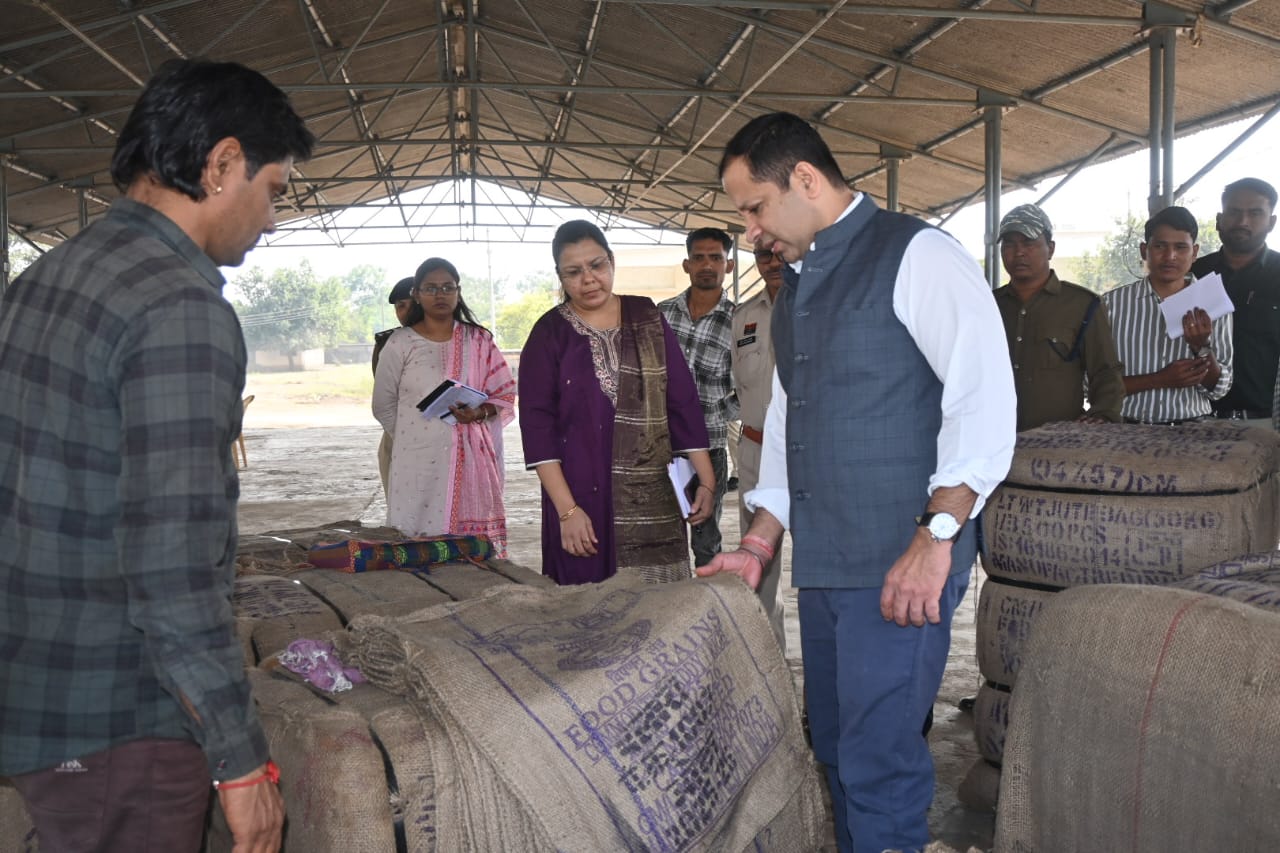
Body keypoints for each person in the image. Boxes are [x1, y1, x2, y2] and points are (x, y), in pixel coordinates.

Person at [0, 59, 313, 852]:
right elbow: (173, 568)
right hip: (120, 714)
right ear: (222, 164)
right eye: (273, 189)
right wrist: (242, 764)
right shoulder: (179, 307)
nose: (272, 218)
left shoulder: (46, 277)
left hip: (38, 684)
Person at [699, 112, 1016, 853]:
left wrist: (937, 536)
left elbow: (985, 400)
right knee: (838, 746)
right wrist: (758, 539)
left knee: (878, 759)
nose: (750, 231)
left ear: (805, 179)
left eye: (754, 207)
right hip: (831, 560)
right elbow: (787, 417)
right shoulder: (801, 284)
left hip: (902, 557)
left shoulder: (917, 255)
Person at [519, 220, 715, 585]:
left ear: (611, 261)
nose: (589, 279)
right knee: (589, 609)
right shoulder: (549, 334)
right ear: (560, 277)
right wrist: (567, 512)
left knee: (658, 610)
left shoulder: (648, 318)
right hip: (579, 494)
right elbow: (537, 427)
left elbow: (681, 400)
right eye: (573, 272)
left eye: (596, 265)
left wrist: (705, 479)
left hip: (651, 490)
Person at [372, 257, 515, 556]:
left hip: (471, 458)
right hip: (415, 462)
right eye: (431, 288)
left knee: (472, 554)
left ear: (458, 292)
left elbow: (503, 394)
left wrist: (478, 413)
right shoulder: (400, 343)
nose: (440, 294)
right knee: (417, 547)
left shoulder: (479, 340)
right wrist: (415, 439)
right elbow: (383, 405)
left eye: (448, 287)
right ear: (417, 294)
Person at [994, 203, 1125, 430]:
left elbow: (1105, 372)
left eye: (1028, 243)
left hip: (1058, 445)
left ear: (1051, 249)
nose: (1019, 252)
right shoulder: (987, 305)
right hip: (993, 439)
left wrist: (1101, 416)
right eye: (1009, 244)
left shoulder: (1082, 304)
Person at [1102, 205, 1233, 425]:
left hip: (1193, 432)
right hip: (1125, 432)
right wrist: (1159, 379)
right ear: (1144, 250)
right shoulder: (1110, 304)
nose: (1170, 256)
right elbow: (1094, 385)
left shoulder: (1214, 304)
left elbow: (1219, 389)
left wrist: (1201, 347)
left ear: (1195, 252)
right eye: (1160, 246)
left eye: (1181, 247)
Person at [658, 227, 739, 567]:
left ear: (729, 266)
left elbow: (749, 388)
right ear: (686, 265)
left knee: (705, 540)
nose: (707, 265)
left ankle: (706, 612)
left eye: (716, 258)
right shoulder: (660, 314)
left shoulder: (740, 321)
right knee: (660, 535)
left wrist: (714, 414)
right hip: (659, 445)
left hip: (710, 447)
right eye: (699, 258)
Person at [730, 240, 788, 650]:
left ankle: (822, 697)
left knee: (823, 573)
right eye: (763, 256)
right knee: (759, 570)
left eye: (779, 253)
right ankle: (771, 670)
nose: (773, 262)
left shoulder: (819, 307)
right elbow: (739, 385)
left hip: (811, 457)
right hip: (754, 452)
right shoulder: (743, 316)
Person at [1193, 178, 1279, 429]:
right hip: (1195, 421)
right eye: (1234, 212)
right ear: (1219, 219)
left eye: (1255, 213)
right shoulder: (1193, 275)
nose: (1243, 222)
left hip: (1266, 423)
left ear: (1271, 222)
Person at [373, 275, 420, 501]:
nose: (405, 312)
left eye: (411, 305)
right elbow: (384, 401)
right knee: (401, 508)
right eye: (400, 306)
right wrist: (406, 439)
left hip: (447, 436)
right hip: (398, 434)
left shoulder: (457, 339)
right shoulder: (388, 343)